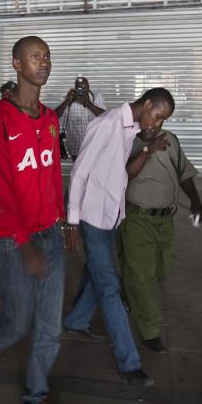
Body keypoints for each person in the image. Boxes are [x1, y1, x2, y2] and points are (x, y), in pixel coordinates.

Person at [0, 36, 70, 404]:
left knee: (49, 326)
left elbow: (54, 174)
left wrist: (65, 220)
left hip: (50, 234)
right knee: (16, 322)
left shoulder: (50, 118)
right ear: (15, 64)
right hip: (14, 238)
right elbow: (5, 187)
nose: (43, 62)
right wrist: (25, 244)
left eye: (47, 56)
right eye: (35, 56)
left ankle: (36, 398)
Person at [63, 87, 176, 387]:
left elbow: (120, 173)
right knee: (110, 287)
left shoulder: (129, 128)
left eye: (163, 120)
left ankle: (75, 321)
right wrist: (72, 222)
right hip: (92, 219)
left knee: (95, 272)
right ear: (148, 103)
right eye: (158, 115)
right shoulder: (108, 124)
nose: (158, 124)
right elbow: (79, 173)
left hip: (110, 217)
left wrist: (149, 148)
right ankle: (130, 363)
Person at [120, 128, 202, 353]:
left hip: (165, 219)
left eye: (161, 118)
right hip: (137, 217)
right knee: (143, 276)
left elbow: (183, 173)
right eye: (153, 116)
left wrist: (196, 201)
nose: (155, 124)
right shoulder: (127, 139)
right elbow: (122, 175)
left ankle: (126, 291)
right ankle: (150, 330)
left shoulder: (171, 139)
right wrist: (148, 150)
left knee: (160, 270)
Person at [54, 76, 106, 159]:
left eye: (84, 88)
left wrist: (89, 104)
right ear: (75, 88)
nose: (82, 91)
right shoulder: (68, 98)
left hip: (93, 145)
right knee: (78, 171)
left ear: (89, 87)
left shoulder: (96, 97)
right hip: (75, 147)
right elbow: (55, 116)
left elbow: (106, 116)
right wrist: (67, 100)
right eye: (79, 88)